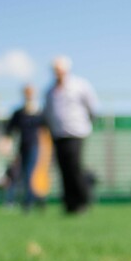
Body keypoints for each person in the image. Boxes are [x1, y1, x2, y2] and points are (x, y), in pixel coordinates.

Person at [43, 56, 98, 214]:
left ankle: (82, 201)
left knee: (74, 167)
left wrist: (85, 123)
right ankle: (69, 204)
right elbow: (48, 112)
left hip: (76, 132)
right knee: (63, 169)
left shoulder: (79, 85)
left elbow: (92, 106)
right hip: (58, 134)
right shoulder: (50, 91)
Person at [2, 85, 45, 211]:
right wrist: (6, 142)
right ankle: (38, 198)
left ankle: (28, 203)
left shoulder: (39, 112)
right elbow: (9, 130)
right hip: (22, 147)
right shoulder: (19, 113)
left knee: (27, 174)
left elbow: (47, 128)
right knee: (22, 175)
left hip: (34, 146)